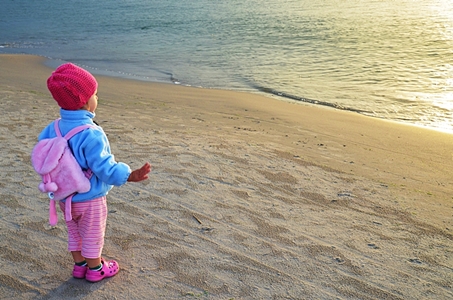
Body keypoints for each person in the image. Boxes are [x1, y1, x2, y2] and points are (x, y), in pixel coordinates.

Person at [38, 63, 151, 282]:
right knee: (92, 235)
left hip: (65, 197)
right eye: (95, 94)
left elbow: (44, 150)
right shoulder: (91, 134)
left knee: (74, 233)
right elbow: (104, 167)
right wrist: (128, 175)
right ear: (85, 101)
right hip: (90, 198)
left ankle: (79, 266)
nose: (97, 98)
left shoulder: (54, 128)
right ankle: (96, 269)